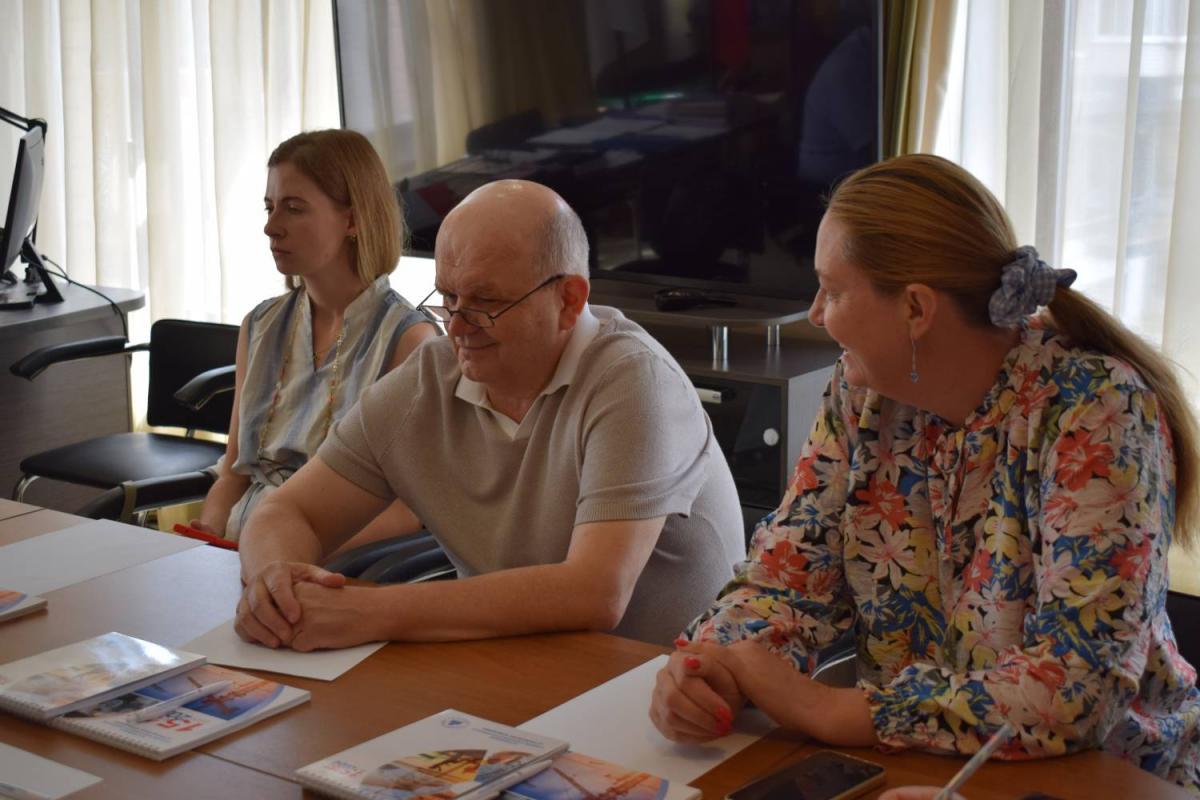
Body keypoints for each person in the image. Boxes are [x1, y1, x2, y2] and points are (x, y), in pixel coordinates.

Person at [649, 154, 1200, 791]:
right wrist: (713, 666)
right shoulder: (862, 393)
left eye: (833, 290)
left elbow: (1079, 686)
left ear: (916, 307)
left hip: (1107, 778)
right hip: (915, 766)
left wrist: (826, 709)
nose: (817, 313)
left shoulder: (1098, 409)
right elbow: (785, 579)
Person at [233, 178, 746, 650]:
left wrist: (369, 611)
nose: (456, 327)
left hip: (668, 684)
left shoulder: (634, 380)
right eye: (448, 297)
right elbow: (288, 512)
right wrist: (275, 585)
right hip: (515, 663)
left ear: (569, 300)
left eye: (485, 301)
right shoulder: (431, 376)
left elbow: (595, 592)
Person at [192, 129, 438, 543]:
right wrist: (209, 533)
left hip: (327, 561)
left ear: (353, 219)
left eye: (294, 209)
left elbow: (405, 513)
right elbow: (235, 473)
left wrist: (289, 552)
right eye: (269, 207)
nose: (271, 227)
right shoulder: (260, 325)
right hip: (240, 551)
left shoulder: (408, 341)